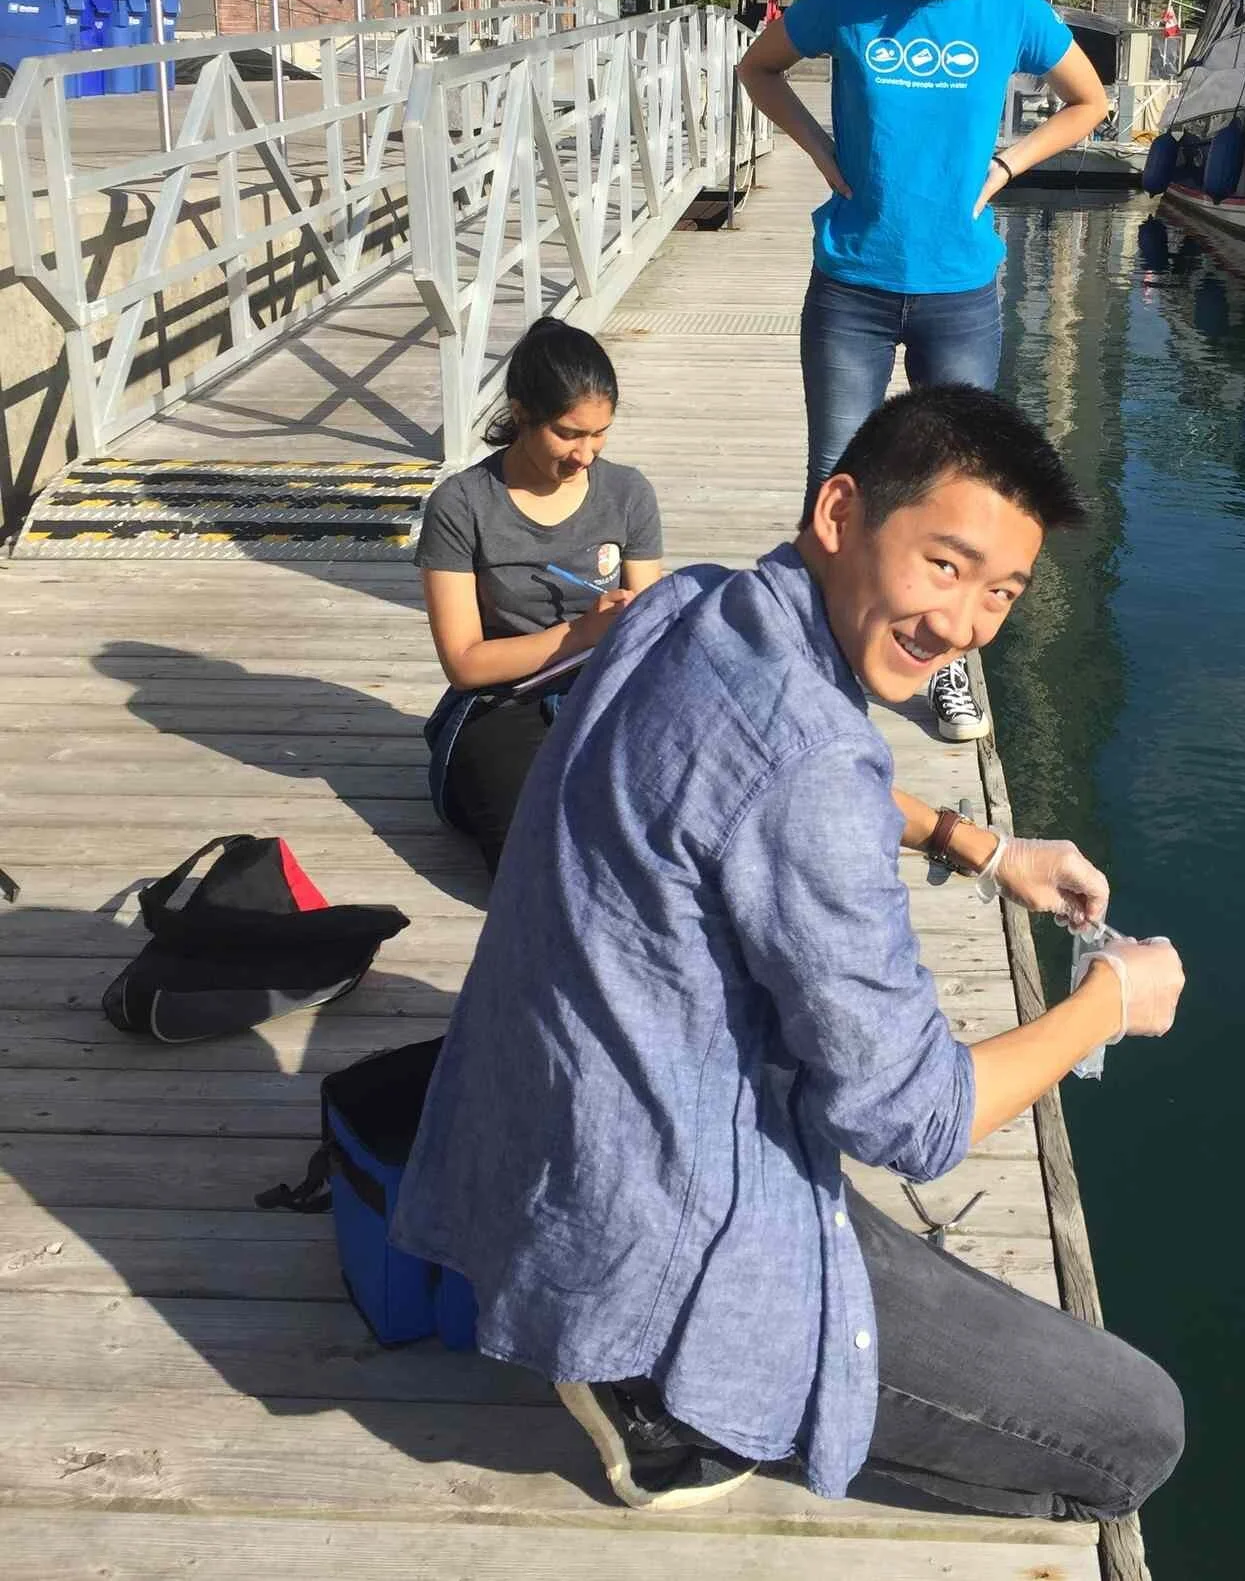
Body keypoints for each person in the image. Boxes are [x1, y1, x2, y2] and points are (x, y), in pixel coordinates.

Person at [394, 384, 1186, 1521]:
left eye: (1001, 591)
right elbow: (911, 1121)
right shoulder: (813, 767)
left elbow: (767, 779)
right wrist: (1111, 1001)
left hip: (537, 1133)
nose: (963, 625)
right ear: (840, 512)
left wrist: (982, 845)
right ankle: (674, 1392)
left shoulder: (696, 609)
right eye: (944, 565)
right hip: (654, 1220)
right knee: (1131, 1436)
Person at [736, 0, 1112, 747]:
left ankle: (943, 669)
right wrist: (824, 154)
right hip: (853, 284)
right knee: (836, 481)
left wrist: (1009, 166)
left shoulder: (1008, 10)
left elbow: (1090, 100)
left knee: (959, 496)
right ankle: (814, 664)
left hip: (959, 291)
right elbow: (760, 69)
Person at [415, 317, 664, 875]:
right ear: (521, 413)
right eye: (568, 434)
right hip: (505, 699)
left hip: (608, 686)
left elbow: (650, 630)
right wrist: (579, 634)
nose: (585, 455)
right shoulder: (462, 505)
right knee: (534, 861)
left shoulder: (628, 493)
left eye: (599, 433)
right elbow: (465, 664)